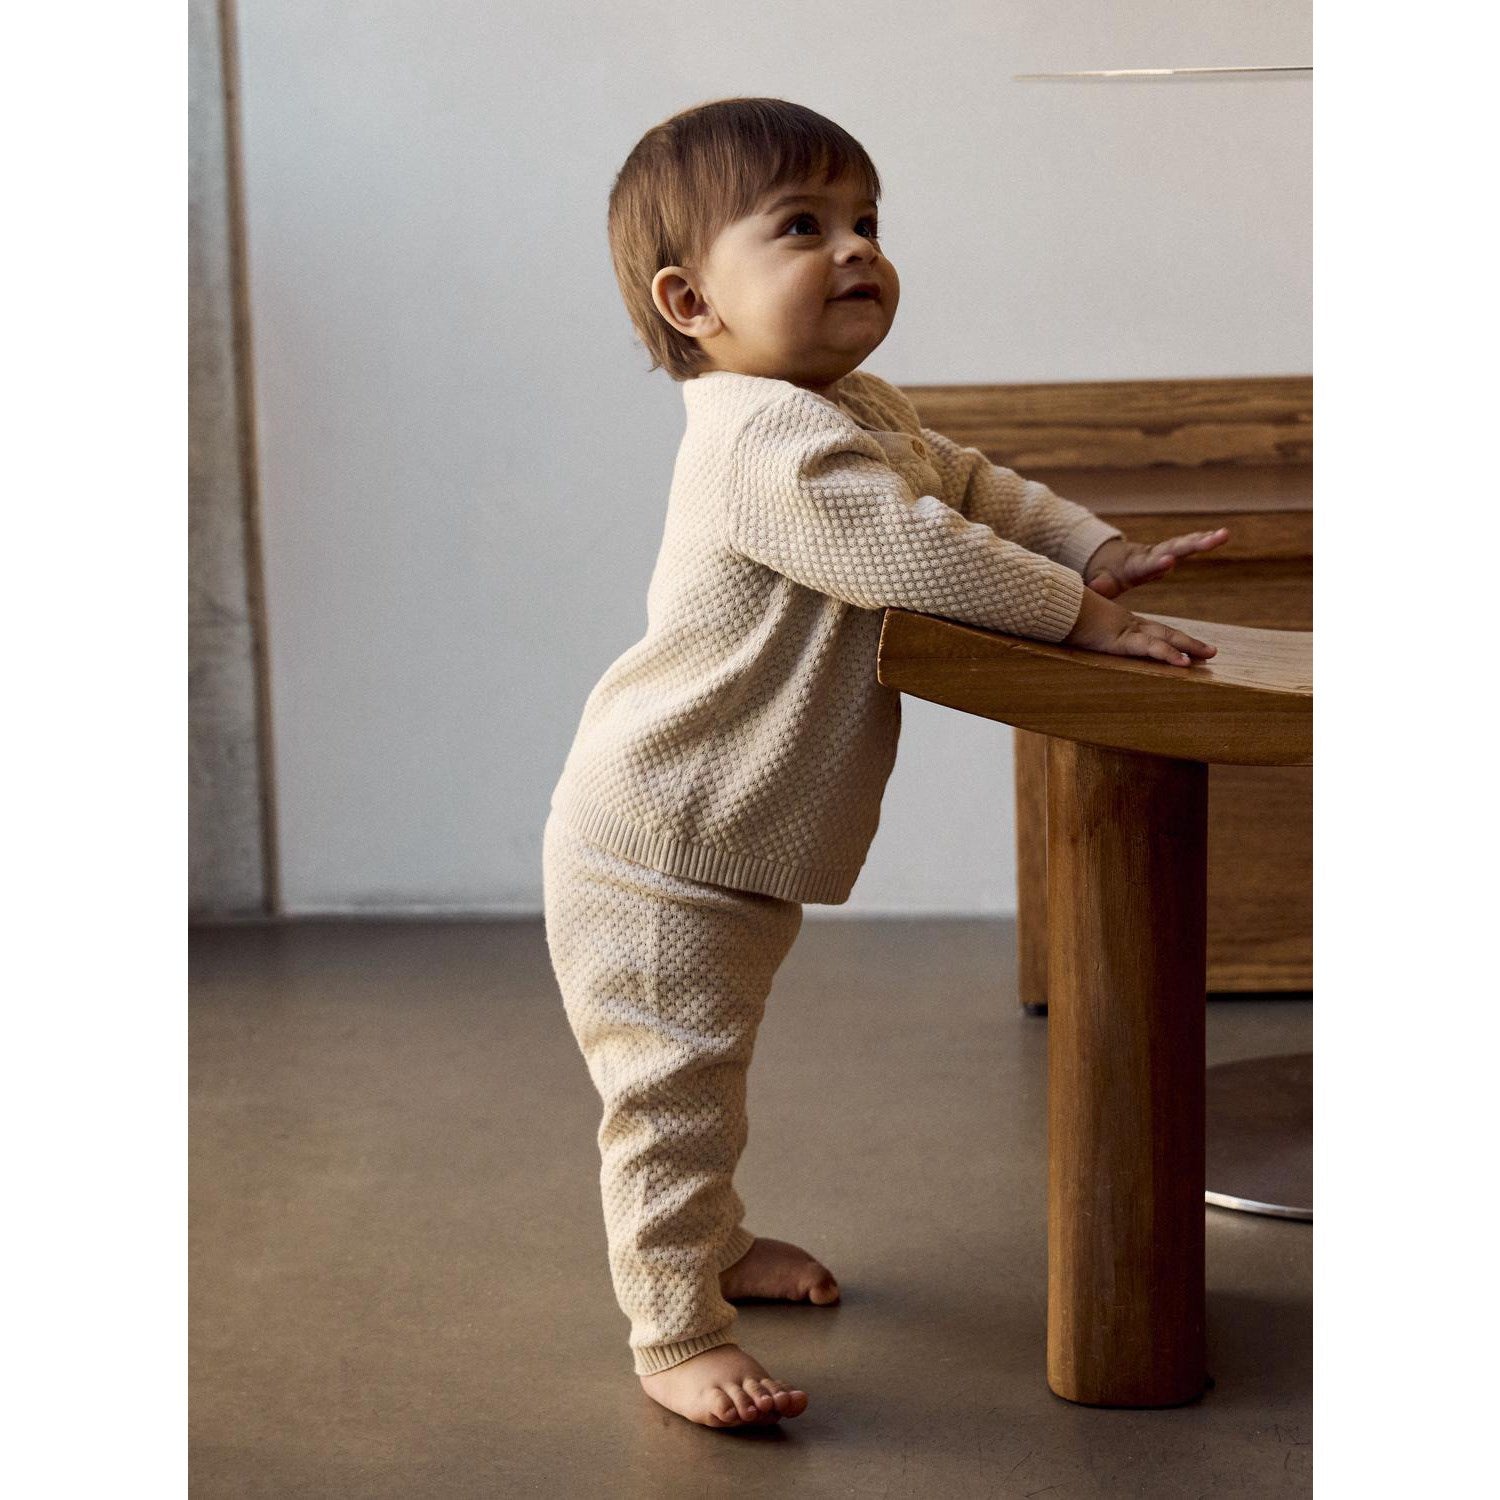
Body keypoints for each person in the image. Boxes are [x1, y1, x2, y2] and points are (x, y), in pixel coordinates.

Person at [541, 97, 1229, 1430]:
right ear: (691, 302)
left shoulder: (848, 405)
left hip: (720, 837)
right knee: (669, 1097)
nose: (856, 248)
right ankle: (674, 1333)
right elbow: (915, 547)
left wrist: (1090, 548)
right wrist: (1088, 621)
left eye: (866, 221)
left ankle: (716, 1249)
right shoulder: (760, 441)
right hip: (661, 842)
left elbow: (963, 486)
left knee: (703, 1073)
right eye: (803, 228)